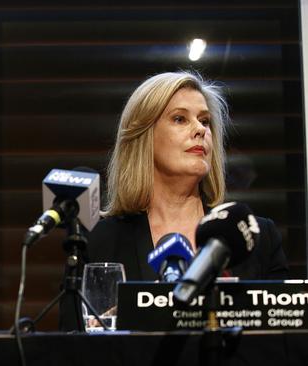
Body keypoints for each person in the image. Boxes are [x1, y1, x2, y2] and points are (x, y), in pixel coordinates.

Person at [86, 71, 289, 281]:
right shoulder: (102, 240)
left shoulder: (259, 238)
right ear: (144, 137)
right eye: (180, 119)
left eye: (205, 120)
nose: (200, 129)